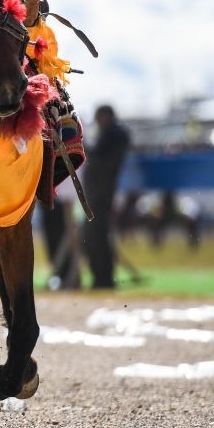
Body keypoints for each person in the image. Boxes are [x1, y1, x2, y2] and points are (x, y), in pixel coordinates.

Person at [81, 104, 131, 289]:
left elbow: (97, 157)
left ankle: (103, 279)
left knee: (97, 238)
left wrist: (81, 143)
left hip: (100, 196)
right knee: (97, 238)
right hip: (100, 195)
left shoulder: (114, 135)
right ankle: (102, 278)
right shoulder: (115, 135)